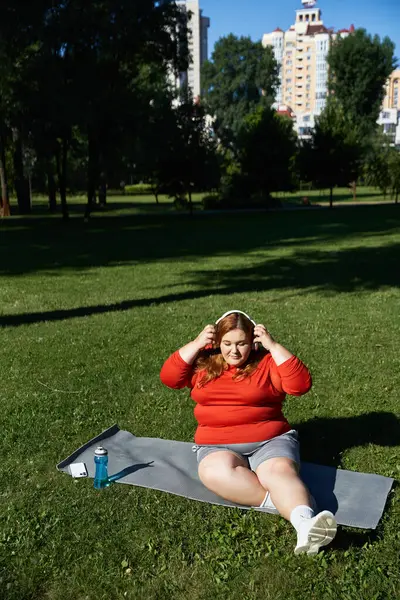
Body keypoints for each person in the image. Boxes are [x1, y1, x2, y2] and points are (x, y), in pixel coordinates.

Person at [160, 310, 337, 555]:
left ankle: (304, 525)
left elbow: (300, 385)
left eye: (241, 343)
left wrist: (273, 345)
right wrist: (197, 343)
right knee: (213, 472)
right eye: (227, 343)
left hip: (269, 440)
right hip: (216, 444)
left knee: (278, 473)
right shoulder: (204, 363)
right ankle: (292, 509)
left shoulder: (266, 362)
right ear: (217, 342)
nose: (234, 351)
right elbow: (169, 378)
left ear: (252, 342)